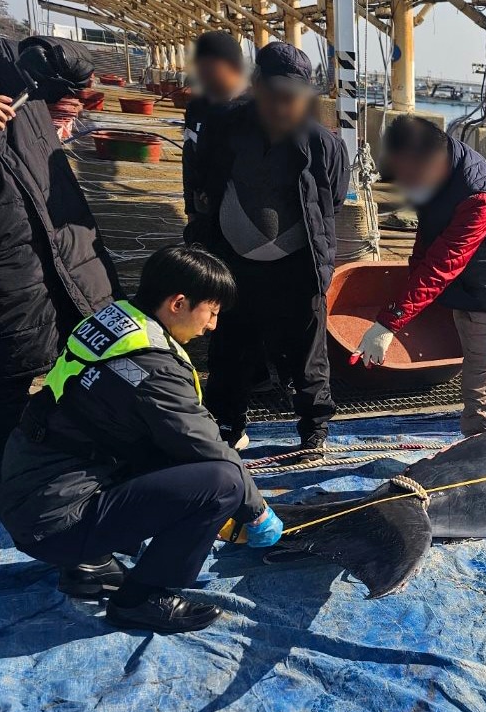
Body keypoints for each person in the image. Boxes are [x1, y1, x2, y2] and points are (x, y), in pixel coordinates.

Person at [0, 246, 282, 633]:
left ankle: (86, 566)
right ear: (179, 303)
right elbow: (208, 447)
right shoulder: (152, 367)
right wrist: (257, 511)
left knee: (172, 456)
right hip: (53, 520)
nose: (212, 325)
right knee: (222, 481)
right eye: (211, 312)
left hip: (22, 491)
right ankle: (141, 600)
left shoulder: (115, 322)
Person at [185, 42, 347, 458]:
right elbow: (202, 182)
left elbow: (336, 198)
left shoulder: (324, 143)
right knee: (229, 348)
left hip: (298, 266)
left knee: (309, 354)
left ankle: (314, 430)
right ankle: (227, 424)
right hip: (233, 262)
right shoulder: (222, 126)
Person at [0, 34, 122, 478]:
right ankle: (2, 476)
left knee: (91, 356)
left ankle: (74, 449)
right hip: (4, 258)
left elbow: (73, 69)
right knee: (7, 374)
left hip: (65, 243)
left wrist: (54, 60)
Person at [354, 116, 486, 436]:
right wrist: (407, 306)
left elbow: (441, 264)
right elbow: (426, 239)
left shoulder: (479, 197)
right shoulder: (436, 172)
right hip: (468, 289)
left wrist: (389, 322)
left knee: (482, 387)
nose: (406, 181)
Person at [182, 31, 248, 221]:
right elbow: (189, 160)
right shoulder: (197, 108)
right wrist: (190, 209)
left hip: (241, 216)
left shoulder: (253, 110)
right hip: (204, 209)